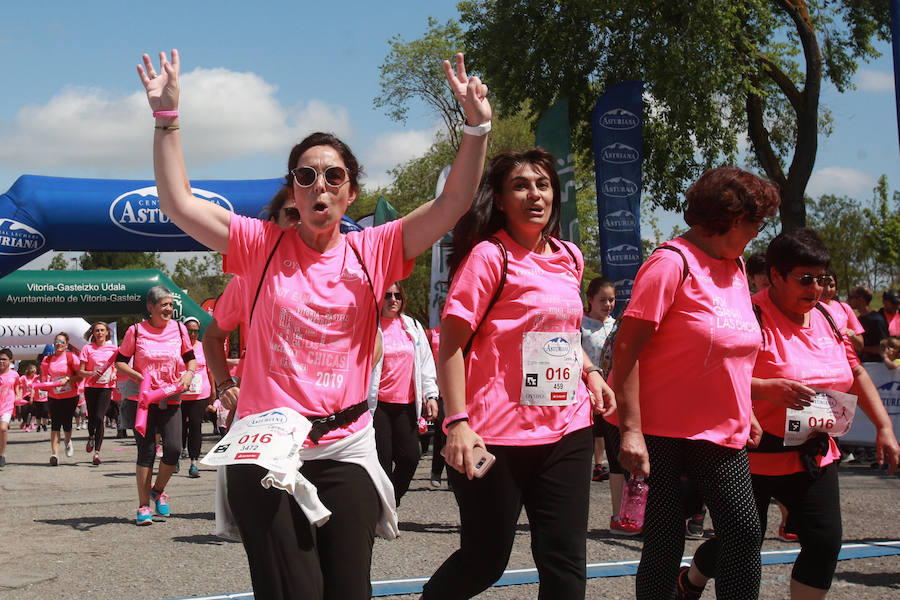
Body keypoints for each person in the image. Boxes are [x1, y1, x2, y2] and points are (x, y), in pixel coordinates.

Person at [139, 48, 491, 599]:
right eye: (306, 176)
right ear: (294, 191)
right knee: (294, 591)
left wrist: (477, 128)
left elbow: (453, 201)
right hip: (265, 446)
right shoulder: (259, 245)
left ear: (351, 192)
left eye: (333, 175)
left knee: (348, 590)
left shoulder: (374, 250)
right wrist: (167, 118)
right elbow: (179, 202)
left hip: (345, 445)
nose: (319, 184)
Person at [422, 149, 616, 600]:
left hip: (566, 428)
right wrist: (457, 422)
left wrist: (591, 373)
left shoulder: (570, 256)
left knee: (565, 562)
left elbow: (563, 334)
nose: (535, 195)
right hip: (495, 436)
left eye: (543, 185)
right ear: (500, 199)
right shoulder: (489, 257)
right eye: (521, 186)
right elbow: (450, 346)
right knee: (485, 561)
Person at [677, 228, 900, 600]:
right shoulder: (747, 315)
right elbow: (711, 374)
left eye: (822, 279)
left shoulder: (829, 317)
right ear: (776, 275)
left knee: (824, 542)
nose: (816, 289)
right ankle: (692, 579)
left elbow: (856, 372)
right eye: (805, 279)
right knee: (740, 541)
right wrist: (763, 391)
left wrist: (884, 427)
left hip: (812, 454)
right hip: (751, 457)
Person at [610, 166, 780, 600]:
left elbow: (731, 350)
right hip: (660, 431)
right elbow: (626, 350)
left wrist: (746, 409)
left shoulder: (736, 265)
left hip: (720, 429)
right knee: (664, 541)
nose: (758, 233)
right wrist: (631, 431)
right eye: (755, 222)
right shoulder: (671, 264)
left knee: (744, 532)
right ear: (728, 217)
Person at [115, 286, 197, 525]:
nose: (169, 309)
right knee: (147, 450)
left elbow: (190, 359)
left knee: (173, 449)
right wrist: (141, 378)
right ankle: (143, 507)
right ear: (150, 307)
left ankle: (158, 490)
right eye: (164, 305)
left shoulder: (179, 329)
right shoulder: (136, 331)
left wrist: (189, 374)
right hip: (142, 399)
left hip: (170, 395)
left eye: (171, 305)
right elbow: (120, 362)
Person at [370, 281, 438, 505]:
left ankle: (391, 502)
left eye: (397, 296)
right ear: (379, 298)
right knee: (382, 461)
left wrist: (431, 395)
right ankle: (383, 511)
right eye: (388, 295)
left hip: (406, 405)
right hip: (378, 405)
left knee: (410, 457)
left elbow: (426, 363)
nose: (393, 300)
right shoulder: (370, 326)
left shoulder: (412, 326)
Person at [581, 276, 616, 483]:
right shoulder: (582, 324)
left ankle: (600, 465)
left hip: (610, 386)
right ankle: (589, 465)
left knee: (605, 427)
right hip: (587, 386)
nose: (608, 305)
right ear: (590, 299)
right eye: (602, 300)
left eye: (611, 300)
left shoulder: (615, 325)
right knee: (591, 429)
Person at [78, 321, 118, 465]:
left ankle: (97, 453)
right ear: (93, 333)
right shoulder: (87, 348)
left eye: (102, 330)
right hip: (91, 386)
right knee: (92, 418)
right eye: (97, 331)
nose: (100, 333)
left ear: (107, 332)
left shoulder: (113, 349)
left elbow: (117, 366)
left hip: (106, 387)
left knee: (100, 417)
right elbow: (80, 371)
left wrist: (114, 374)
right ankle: (91, 437)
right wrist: (91, 373)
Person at [42, 332, 82, 466]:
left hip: (70, 395)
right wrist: (44, 385)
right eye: (56, 341)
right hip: (54, 396)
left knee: (67, 423)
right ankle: (54, 454)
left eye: (61, 342)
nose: (58, 344)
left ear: (66, 345)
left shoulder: (72, 357)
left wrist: (68, 379)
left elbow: (80, 376)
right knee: (55, 424)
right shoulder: (47, 360)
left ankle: (68, 441)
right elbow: (44, 378)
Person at [179, 316, 211, 478]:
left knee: (195, 428)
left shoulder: (204, 348)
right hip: (179, 395)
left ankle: (194, 462)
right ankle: (176, 457)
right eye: (189, 331)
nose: (192, 334)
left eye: (195, 331)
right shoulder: (176, 346)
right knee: (179, 429)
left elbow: (210, 371)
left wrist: (214, 395)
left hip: (199, 394)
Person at [820, 270, 863, 353]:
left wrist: (851, 335)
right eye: (823, 285)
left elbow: (860, 345)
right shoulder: (809, 310)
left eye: (832, 286)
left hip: (850, 359)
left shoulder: (844, 308)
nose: (827, 290)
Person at [847, 286, 888, 362]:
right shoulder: (858, 320)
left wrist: (860, 347)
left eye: (851, 297)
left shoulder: (877, 320)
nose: (848, 300)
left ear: (861, 299)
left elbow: (884, 347)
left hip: (877, 364)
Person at [0, 348, 21, 468]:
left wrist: (18, 396)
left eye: (4, 359)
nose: (1, 361)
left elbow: (17, 387)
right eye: (0, 359)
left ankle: (1, 455)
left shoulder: (14, 374)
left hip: (7, 406)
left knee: (3, 428)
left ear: (10, 361)